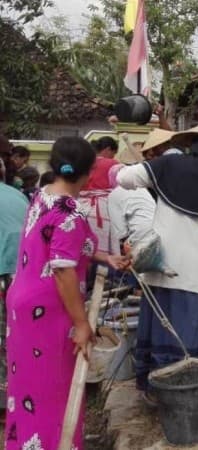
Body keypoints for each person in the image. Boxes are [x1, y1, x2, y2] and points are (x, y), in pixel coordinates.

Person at [4, 137, 128, 450]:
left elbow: (64, 246)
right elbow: (63, 270)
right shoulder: (70, 214)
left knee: (28, 386)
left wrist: (105, 257)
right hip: (49, 311)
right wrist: (82, 324)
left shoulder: (43, 195)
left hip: (22, 303)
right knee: (54, 389)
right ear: (89, 173)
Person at [116, 118, 198, 397]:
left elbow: (122, 178)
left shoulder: (168, 165)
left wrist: (159, 183)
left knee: (167, 324)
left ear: (194, 144)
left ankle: (162, 389)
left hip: (167, 266)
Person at [0, 176, 28, 405]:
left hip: (5, 269)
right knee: (12, 331)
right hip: (22, 271)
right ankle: (15, 390)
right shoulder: (17, 195)